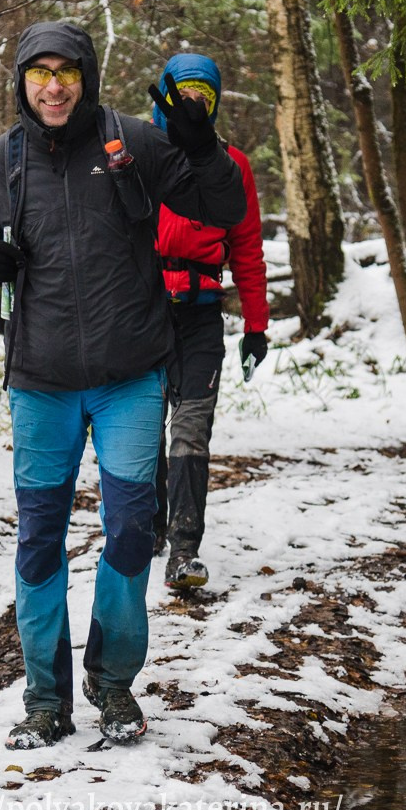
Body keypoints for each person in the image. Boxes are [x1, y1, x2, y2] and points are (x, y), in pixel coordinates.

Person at [0, 21, 248, 748]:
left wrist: (201, 144)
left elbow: (225, 209)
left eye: (66, 71)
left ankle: (114, 687)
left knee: (127, 534)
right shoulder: (0, 163)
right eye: (39, 72)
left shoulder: (134, 143)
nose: (53, 85)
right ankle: (45, 699)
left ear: (86, 75)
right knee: (40, 540)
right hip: (41, 383)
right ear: (22, 80)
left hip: (130, 378)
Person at [148, 53, 270, 590]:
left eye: (206, 96)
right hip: (141, 309)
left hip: (200, 315)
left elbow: (246, 249)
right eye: (185, 94)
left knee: (191, 431)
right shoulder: (136, 154)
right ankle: (147, 526)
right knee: (142, 430)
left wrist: (256, 326)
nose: (195, 104)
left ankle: (183, 551)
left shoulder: (231, 165)